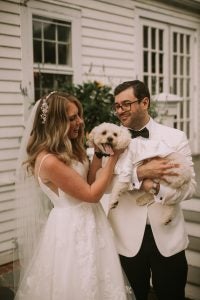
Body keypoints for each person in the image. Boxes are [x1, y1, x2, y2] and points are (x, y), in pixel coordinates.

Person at [14, 91, 135, 300]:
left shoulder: (68, 149)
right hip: (71, 229)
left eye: (79, 115)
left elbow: (86, 181)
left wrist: (98, 155)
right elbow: (91, 194)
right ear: (55, 123)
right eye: (72, 118)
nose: (80, 122)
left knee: (99, 279)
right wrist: (114, 158)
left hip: (91, 221)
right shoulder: (49, 160)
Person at [107, 80, 196, 300]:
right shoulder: (109, 139)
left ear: (144, 102)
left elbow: (190, 187)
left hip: (168, 238)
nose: (119, 111)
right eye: (117, 106)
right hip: (125, 239)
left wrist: (156, 188)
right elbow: (104, 183)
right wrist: (139, 175)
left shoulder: (175, 137)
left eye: (125, 104)